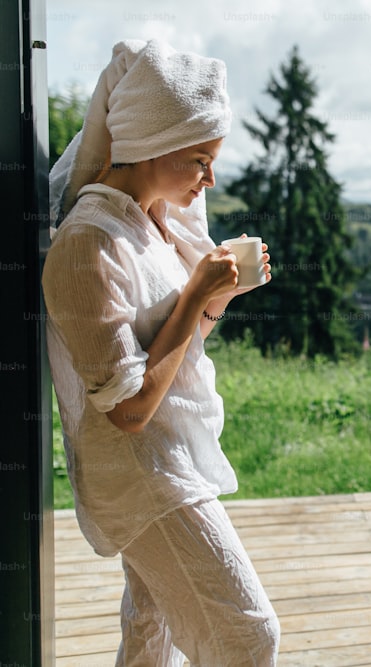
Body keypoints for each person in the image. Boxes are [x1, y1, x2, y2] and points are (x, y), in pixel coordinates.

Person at [42, 39, 280, 665]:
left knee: (153, 633)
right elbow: (128, 410)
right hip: (144, 474)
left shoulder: (153, 223)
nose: (210, 178)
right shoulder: (88, 245)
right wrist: (195, 289)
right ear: (152, 142)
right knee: (249, 635)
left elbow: (175, 344)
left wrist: (215, 296)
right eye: (201, 159)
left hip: (172, 456)